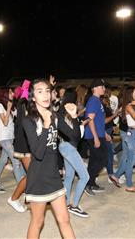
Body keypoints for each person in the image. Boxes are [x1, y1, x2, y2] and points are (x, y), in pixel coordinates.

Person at [22, 79, 75, 239]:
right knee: (38, 222)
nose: (45, 95)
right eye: (39, 91)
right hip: (38, 178)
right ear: (32, 97)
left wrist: (74, 118)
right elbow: (37, 153)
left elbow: (74, 136)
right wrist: (45, 125)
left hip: (54, 176)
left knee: (65, 220)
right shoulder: (28, 120)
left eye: (47, 91)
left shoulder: (55, 115)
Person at [58, 89, 90, 218]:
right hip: (69, 147)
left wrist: (77, 119)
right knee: (85, 176)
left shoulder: (62, 112)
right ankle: (74, 205)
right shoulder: (66, 113)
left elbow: (74, 134)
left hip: (66, 147)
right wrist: (76, 119)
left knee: (69, 177)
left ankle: (65, 203)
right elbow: (76, 136)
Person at [0, 88, 25, 200]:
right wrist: (9, 108)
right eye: (10, 92)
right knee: (15, 160)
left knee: (3, 161)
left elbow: (19, 114)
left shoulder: (9, 105)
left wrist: (20, 99)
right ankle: (22, 186)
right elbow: (5, 122)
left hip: (10, 137)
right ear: (4, 94)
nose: (12, 94)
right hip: (3, 138)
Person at [113, 86, 135, 193]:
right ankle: (129, 185)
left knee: (129, 159)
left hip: (133, 134)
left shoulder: (134, 105)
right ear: (131, 94)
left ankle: (116, 176)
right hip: (133, 135)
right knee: (130, 162)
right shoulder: (128, 106)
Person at [84, 79, 112, 196]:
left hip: (99, 134)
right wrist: (96, 137)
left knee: (95, 160)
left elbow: (98, 121)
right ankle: (87, 183)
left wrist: (104, 133)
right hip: (93, 135)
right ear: (94, 88)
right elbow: (90, 121)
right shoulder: (93, 101)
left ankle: (91, 183)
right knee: (102, 159)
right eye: (101, 87)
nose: (104, 89)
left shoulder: (97, 101)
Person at [8, 81, 31, 213]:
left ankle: (28, 198)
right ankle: (14, 198)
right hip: (24, 145)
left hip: (29, 143)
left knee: (33, 173)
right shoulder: (23, 103)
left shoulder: (25, 103)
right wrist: (25, 88)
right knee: (32, 174)